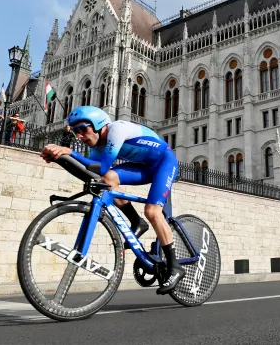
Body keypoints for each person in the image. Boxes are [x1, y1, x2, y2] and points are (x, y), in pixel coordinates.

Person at [40, 106, 185, 295]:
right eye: (76, 132)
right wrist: (60, 159)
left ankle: (175, 266)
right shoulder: (99, 146)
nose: (80, 136)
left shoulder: (117, 129)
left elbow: (99, 167)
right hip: (145, 167)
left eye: (83, 129)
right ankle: (136, 221)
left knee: (152, 211)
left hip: (165, 162)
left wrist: (69, 152)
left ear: (99, 125)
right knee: (108, 179)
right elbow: (92, 175)